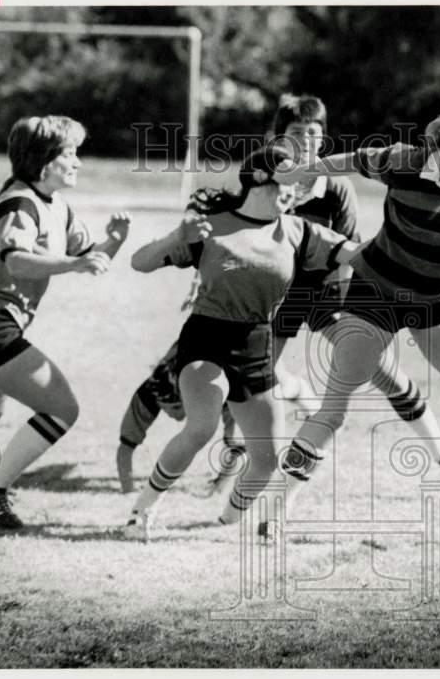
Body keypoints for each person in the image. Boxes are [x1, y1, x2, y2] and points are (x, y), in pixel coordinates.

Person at [113, 94, 440, 496]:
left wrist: (360, 310)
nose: (307, 141)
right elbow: (216, 234)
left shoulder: (335, 189)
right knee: (244, 386)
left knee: (379, 368)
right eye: (296, 133)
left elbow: (349, 251)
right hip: (270, 299)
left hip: (321, 291)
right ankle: (231, 466)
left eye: (315, 134)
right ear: (274, 138)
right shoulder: (257, 179)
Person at [272, 97, 440, 529]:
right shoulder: (404, 162)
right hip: (374, 293)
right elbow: (353, 160)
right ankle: (274, 511)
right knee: (334, 410)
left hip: (434, 300)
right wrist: (304, 171)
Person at [122, 145, 362, 541]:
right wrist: (174, 237)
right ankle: (142, 512)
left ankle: (226, 521)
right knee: (201, 427)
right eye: (292, 175)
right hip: (206, 339)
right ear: (263, 178)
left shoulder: (299, 231)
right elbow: (139, 261)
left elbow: (356, 253)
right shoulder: (210, 226)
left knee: (266, 461)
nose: (301, 185)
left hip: (256, 345)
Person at [0, 115, 132, 530]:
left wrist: (115, 241)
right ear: (44, 162)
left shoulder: (56, 206)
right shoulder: (19, 203)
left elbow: (89, 255)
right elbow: (18, 260)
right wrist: (75, 263)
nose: (78, 163)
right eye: (70, 154)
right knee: (62, 408)